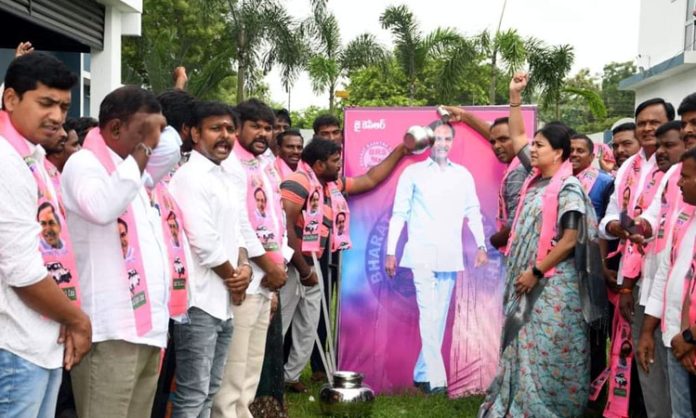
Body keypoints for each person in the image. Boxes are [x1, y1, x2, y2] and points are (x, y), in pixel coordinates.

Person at [480, 72, 603, 417]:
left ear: (558, 153)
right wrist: (514, 96)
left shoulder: (567, 188)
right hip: (529, 279)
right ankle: (519, 404)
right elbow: (517, 134)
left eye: (539, 146)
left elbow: (569, 239)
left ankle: (550, 409)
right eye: (532, 145)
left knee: (549, 351)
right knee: (523, 346)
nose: (531, 149)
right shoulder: (538, 180)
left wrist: (535, 271)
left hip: (553, 288)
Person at [62, 86, 183, 418]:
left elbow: (172, 146)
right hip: (111, 330)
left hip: (146, 327)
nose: (155, 141)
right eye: (146, 131)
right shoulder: (84, 164)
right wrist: (142, 149)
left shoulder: (134, 173)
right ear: (115, 128)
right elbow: (102, 208)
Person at [280, 135, 413, 390]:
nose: (339, 166)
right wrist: (303, 268)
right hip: (292, 266)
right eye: (334, 162)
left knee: (308, 325)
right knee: (280, 325)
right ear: (318, 165)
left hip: (314, 264)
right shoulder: (298, 182)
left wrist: (401, 150)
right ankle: (268, 381)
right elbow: (286, 228)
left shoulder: (330, 185)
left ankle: (290, 377)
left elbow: (370, 179)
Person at [0, 52, 92, 418]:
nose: (57, 116)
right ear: (10, 99)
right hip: (14, 347)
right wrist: (77, 320)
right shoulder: (6, 162)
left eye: (64, 105)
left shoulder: (32, 159)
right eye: (45, 103)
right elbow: (21, 270)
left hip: (40, 342)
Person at [384, 119, 487, 394]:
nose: (442, 144)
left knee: (438, 315)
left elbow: (472, 211)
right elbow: (399, 214)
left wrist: (481, 245)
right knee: (430, 313)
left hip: (450, 255)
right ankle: (437, 380)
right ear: (429, 142)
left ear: (452, 143)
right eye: (437, 139)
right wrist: (391, 251)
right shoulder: (413, 173)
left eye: (447, 139)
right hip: (421, 254)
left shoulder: (463, 175)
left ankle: (422, 374)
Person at [168, 101, 252, 418]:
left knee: (210, 392)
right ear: (193, 133)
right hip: (198, 301)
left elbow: (237, 235)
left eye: (230, 129)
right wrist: (237, 281)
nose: (225, 136)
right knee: (192, 395)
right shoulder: (189, 177)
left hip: (224, 302)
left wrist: (244, 268)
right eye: (216, 128)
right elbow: (204, 244)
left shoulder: (224, 176)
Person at [601, 97, 676, 418]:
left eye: (654, 122)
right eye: (641, 121)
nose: (647, 128)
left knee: (668, 360)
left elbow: (655, 222)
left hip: (666, 277)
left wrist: (636, 226)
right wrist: (617, 226)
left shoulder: (675, 169)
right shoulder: (629, 168)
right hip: (631, 278)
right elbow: (608, 218)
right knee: (640, 359)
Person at [213, 99, 288, 418]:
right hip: (245, 276)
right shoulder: (230, 163)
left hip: (266, 280)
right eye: (255, 125)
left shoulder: (264, 163)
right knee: (234, 364)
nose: (262, 133)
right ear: (239, 126)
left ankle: (243, 413)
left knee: (252, 365)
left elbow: (275, 218)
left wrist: (278, 267)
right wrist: (266, 266)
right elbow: (240, 225)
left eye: (268, 128)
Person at [636, 96, 696, 417]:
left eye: (693, 123)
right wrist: (649, 329)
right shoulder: (675, 178)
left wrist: (690, 336)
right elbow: (670, 266)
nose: (687, 130)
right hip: (674, 333)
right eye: (685, 123)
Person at [440, 110, 532, 249]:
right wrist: (466, 117)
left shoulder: (517, 172)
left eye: (503, 140)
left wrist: (493, 242)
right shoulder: (523, 161)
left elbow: (517, 222)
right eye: (493, 142)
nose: (496, 146)